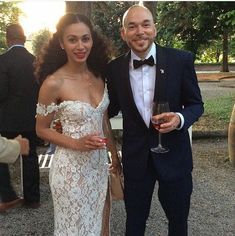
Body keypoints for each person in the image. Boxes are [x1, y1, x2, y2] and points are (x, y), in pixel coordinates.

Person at [106, 4, 204, 236]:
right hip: (136, 158)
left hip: (175, 157)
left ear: (155, 29)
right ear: (124, 33)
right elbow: (109, 109)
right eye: (132, 26)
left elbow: (196, 105)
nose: (140, 31)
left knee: (178, 222)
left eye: (145, 24)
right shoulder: (114, 68)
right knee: (135, 222)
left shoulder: (181, 60)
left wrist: (179, 119)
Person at [34, 13, 121, 235]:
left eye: (85, 38)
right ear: (62, 43)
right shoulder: (53, 82)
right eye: (72, 39)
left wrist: (115, 158)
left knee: (100, 226)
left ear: (93, 40)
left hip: (98, 168)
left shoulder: (99, 76)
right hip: (70, 172)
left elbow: (103, 120)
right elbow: (41, 130)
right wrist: (77, 143)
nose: (80, 45)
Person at [0, 24, 40, 210]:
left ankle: (7, 195)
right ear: (23, 39)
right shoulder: (35, 61)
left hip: (7, 120)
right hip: (30, 119)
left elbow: (1, 92)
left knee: (0, 157)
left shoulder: (3, 61)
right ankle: (32, 199)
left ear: (8, 39)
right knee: (31, 157)